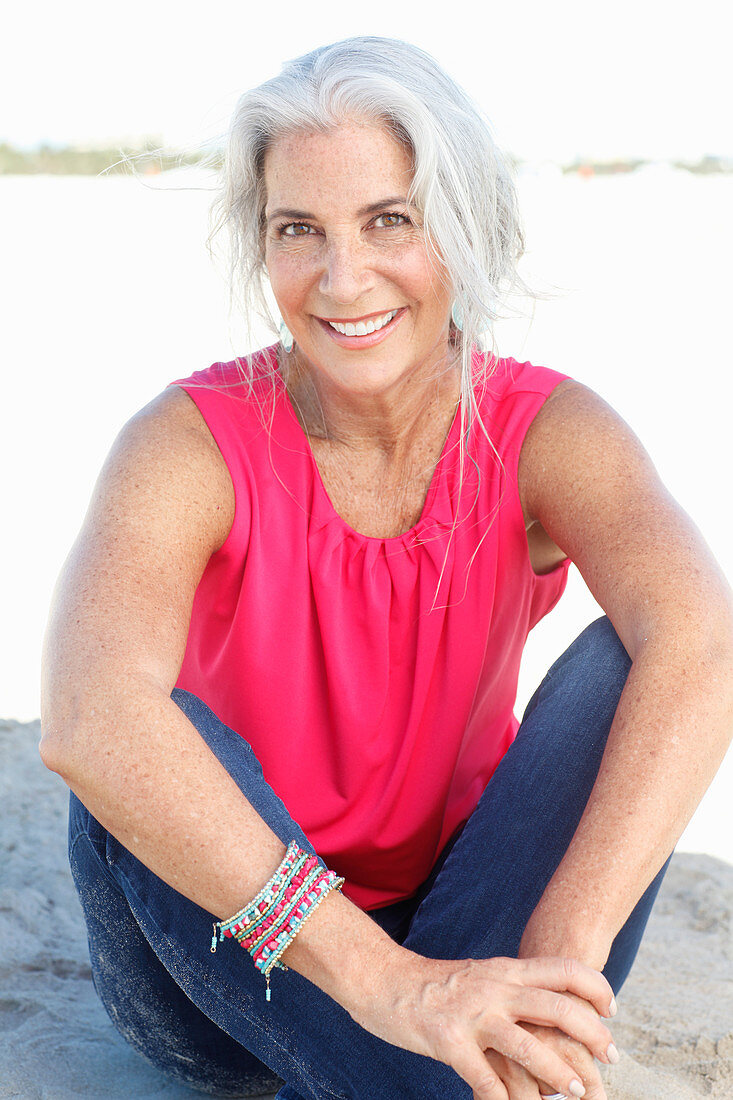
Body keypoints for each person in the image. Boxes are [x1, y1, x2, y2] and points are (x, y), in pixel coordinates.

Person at [40, 36, 733, 1100]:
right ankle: (418, 1066)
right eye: (298, 230)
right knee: (147, 723)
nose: (342, 276)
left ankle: (443, 1050)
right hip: (233, 941)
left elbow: (702, 637)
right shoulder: (185, 442)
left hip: (449, 910)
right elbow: (88, 716)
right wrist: (388, 987)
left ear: (458, 225)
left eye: (388, 220)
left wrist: (557, 952)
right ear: (262, 246)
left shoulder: (542, 429)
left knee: (630, 655)